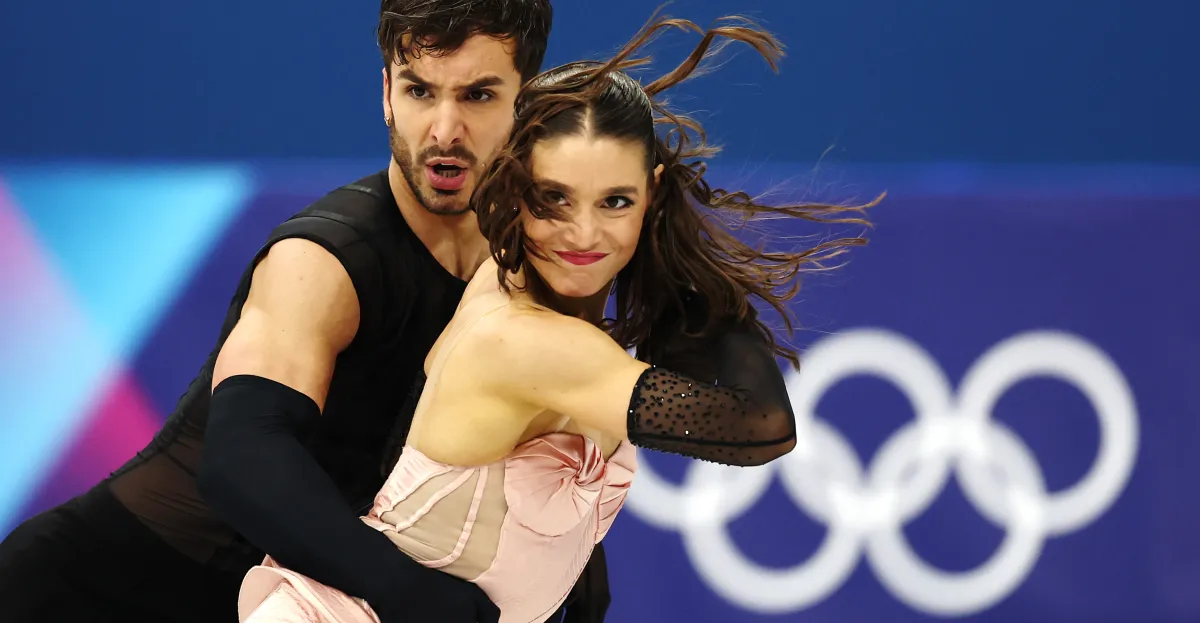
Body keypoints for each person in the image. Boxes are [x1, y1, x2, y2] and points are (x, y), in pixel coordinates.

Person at [234, 10, 877, 623]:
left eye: (616, 201)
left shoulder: (521, 285)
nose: (583, 233)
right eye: (553, 199)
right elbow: (757, 425)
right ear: (514, 192)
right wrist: (689, 275)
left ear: (651, 192)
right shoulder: (526, 341)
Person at [0, 2, 617, 622]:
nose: (443, 130)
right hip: (83, 594)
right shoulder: (323, 259)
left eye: (479, 95)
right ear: (385, 92)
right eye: (419, 91)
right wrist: (412, 593)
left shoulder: (523, 269)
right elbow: (243, 460)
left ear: (528, 102)